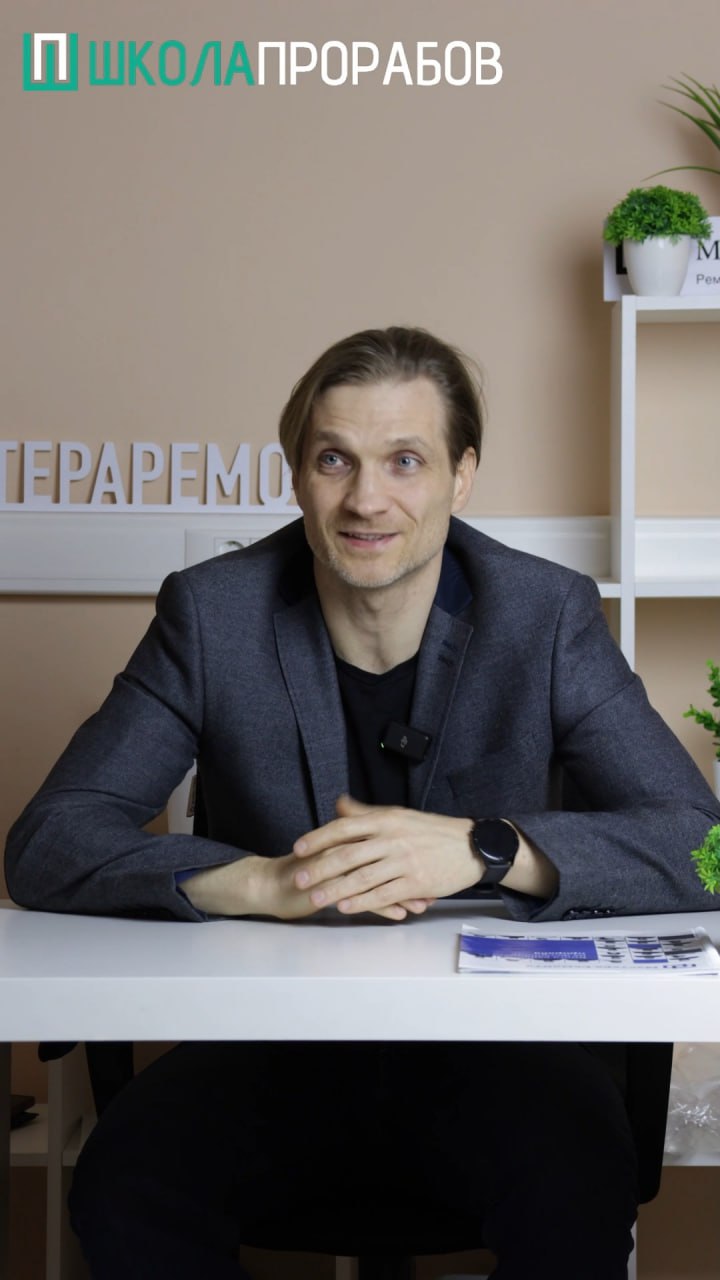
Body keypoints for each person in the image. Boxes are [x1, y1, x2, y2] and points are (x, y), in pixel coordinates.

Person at [5, 326, 720, 1279]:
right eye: (334, 459)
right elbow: (48, 840)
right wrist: (257, 882)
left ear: (463, 476)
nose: (366, 499)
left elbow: (701, 844)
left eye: (405, 461)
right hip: (275, 1045)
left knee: (577, 1185)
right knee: (123, 1186)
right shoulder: (212, 614)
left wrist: (489, 849)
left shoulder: (545, 613)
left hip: (497, 1055)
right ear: (298, 475)